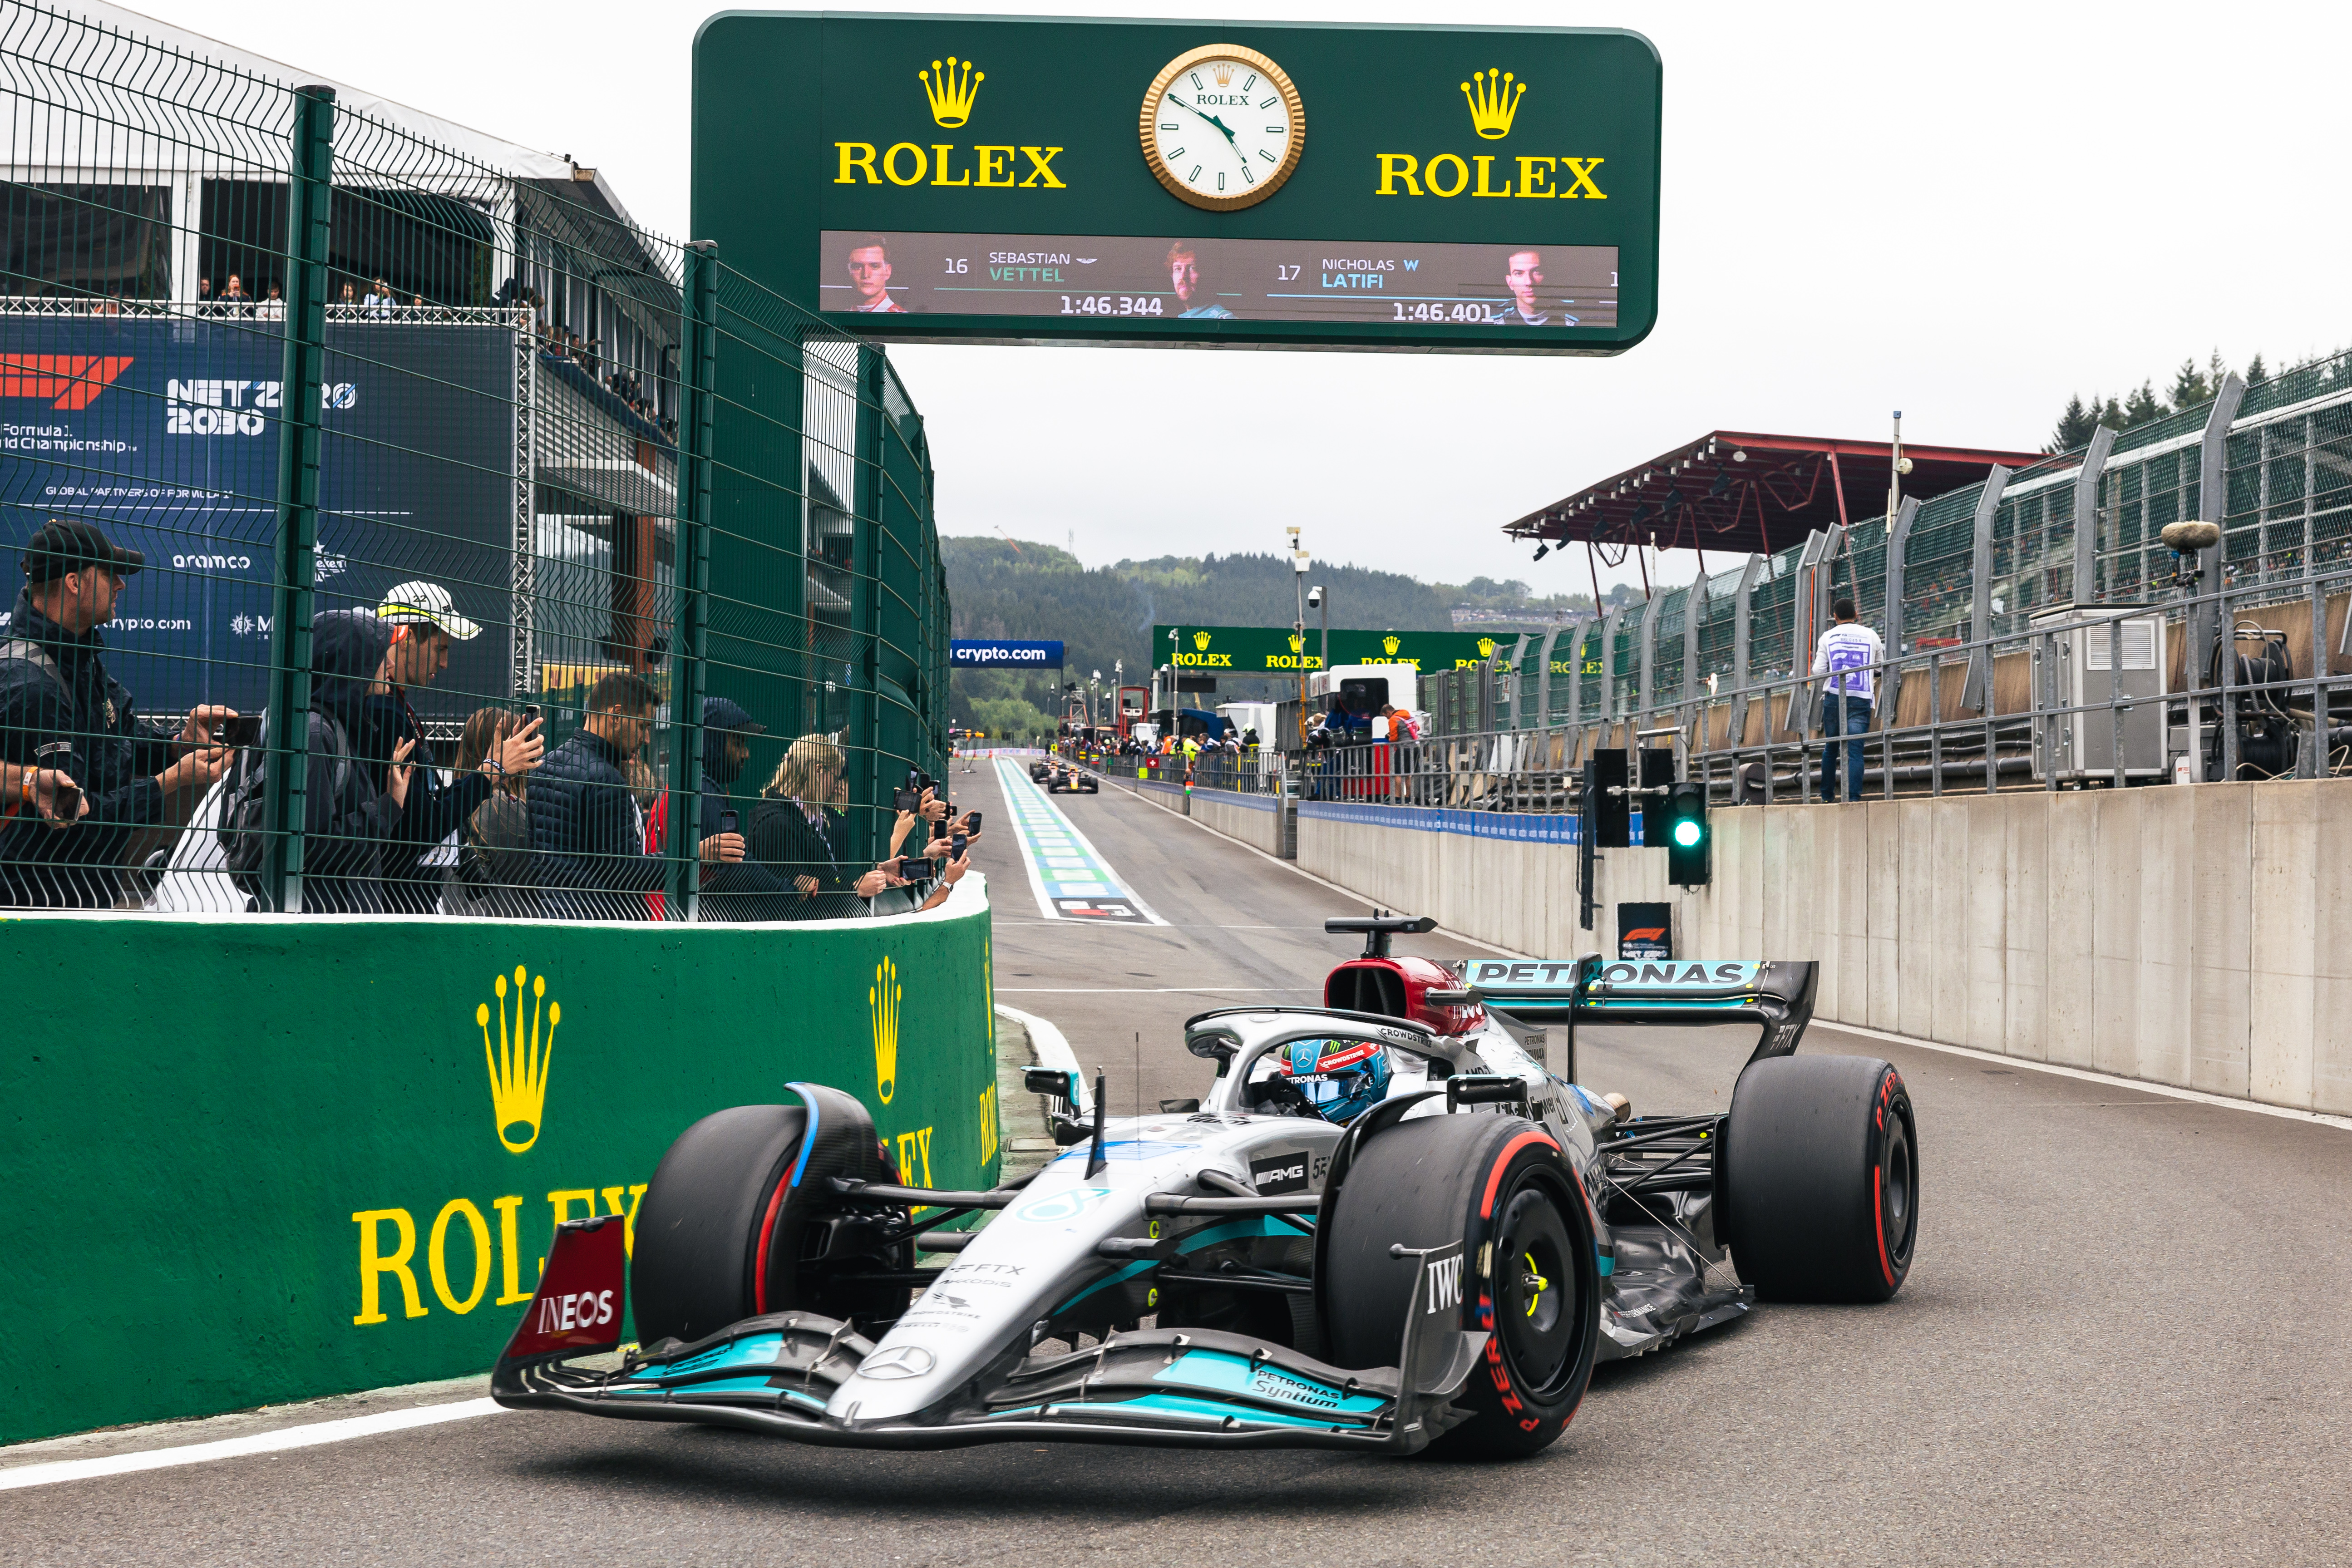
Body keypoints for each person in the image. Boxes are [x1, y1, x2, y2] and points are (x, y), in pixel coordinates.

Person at [0, 519, 234, 907]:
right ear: (75, 582)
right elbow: (77, 820)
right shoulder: (33, 685)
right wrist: (170, 782)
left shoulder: (77, 657)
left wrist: (180, 745)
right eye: (111, 574)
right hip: (38, 902)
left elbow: (118, 739)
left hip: (79, 891)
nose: (122, 585)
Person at [360, 581, 543, 912]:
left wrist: (490, 771)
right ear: (407, 637)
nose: (444, 664)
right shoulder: (383, 714)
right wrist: (491, 772)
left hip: (399, 901)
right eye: (440, 649)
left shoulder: (392, 708)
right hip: (393, 906)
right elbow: (419, 827)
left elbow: (423, 808)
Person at [528, 671, 706, 919]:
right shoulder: (606, 779)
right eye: (643, 726)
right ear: (617, 715)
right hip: (599, 923)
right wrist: (694, 856)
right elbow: (626, 871)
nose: (646, 738)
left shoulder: (546, 765)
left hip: (549, 914)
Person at [292, 611, 421, 912]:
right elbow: (309, 845)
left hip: (336, 915)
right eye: (377, 655)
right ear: (351, 662)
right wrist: (389, 806)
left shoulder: (339, 728)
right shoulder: (315, 734)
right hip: (322, 922)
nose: (390, 664)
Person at [443, 706, 539, 918]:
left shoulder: (457, 798)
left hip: (465, 920)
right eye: (519, 744)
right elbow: (533, 878)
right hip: (501, 926)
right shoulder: (498, 805)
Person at [1811, 597, 1883, 803]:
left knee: (1831, 749)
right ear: (1856, 615)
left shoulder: (1827, 637)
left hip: (1834, 699)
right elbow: (1880, 667)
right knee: (1855, 750)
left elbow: (1818, 670)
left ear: (1835, 617)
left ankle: (1827, 796)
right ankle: (1854, 798)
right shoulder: (1871, 635)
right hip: (1861, 699)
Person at [1490, 249, 1575, 327]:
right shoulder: (1493, 318)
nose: (1529, 282)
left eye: (1537, 272)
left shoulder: (1576, 317)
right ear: (1510, 283)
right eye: (1519, 273)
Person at [1169, 242, 1233, 319]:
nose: (1183, 276)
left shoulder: (1222, 318)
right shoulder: (1182, 318)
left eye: (1192, 268)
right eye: (1178, 269)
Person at [845, 237, 906, 313]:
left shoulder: (902, 320)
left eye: (874, 266)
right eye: (858, 267)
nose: (866, 274)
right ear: (849, 271)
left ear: (888, 271)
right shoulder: (839, 317)